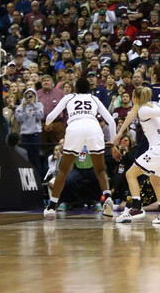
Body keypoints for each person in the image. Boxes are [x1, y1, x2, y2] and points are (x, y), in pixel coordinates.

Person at [110, 86, 160, 225]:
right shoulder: (148, 106)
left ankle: (137, 208)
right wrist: (120, 133)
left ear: (135, 98)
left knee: (130, 174)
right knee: (155, 180)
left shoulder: (144, 109)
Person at [42, 76, 117, 220]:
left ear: (75, 89)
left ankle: (52, 206)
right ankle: (107, 196)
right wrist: (113, 144)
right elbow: (111, 122)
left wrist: (47, 124)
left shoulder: (69, 97)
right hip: (93, 127)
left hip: (75, 127)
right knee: (100, 169)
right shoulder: (94, 99)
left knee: (64, 170)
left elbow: (51, 116)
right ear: (89, 89)